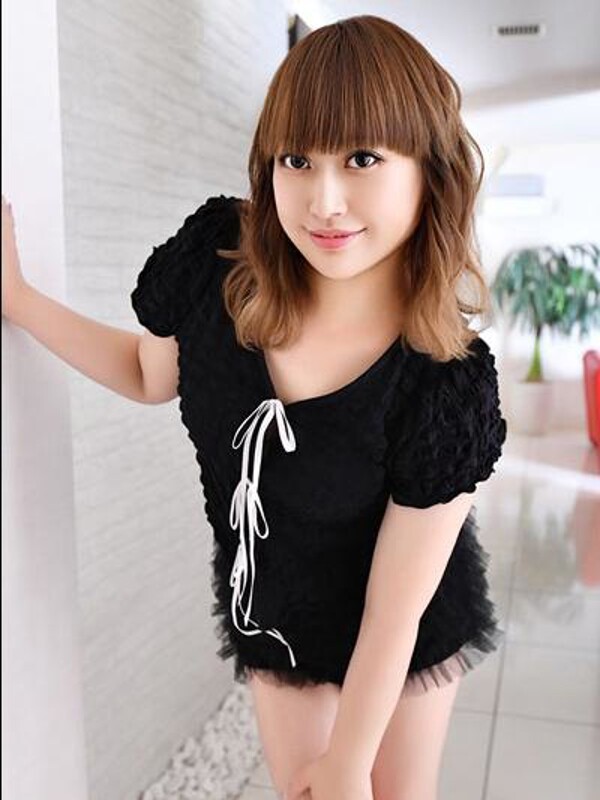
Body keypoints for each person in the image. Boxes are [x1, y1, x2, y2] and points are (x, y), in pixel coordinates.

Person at [2, 14, 508, 800]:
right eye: (297, 159)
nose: (325, 201)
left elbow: (391, 612)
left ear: (428, 171)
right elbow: (145, 371)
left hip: (403, 624)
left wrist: (350, 761)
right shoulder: (217, 267)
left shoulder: (445, 382)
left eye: (363, 158)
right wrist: (20, 300)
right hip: (280, 611)